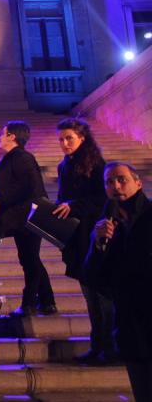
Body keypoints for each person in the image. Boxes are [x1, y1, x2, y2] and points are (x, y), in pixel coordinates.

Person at [85, 162, 152, 402]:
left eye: (122, 179)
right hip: (130, 322)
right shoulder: (106, 223)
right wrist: (98, 244)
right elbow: (93, 276)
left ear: (138, 183)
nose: (116, 186)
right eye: (109, 182)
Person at [0, 121, 55, 317]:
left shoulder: (22, 157)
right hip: (20, 220)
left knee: (30, 259)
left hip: (28, 218)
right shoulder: (9, 159)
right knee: (30, 258)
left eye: (3, 133)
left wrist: (1, 197)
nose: (0, 137)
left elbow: (29, 186)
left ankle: (29, 304)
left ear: (12, 136)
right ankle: (47, 302)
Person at [53, 119, 115, 365]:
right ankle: (97, 346)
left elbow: (103, 199)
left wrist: (74, 205)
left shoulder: (96, 164)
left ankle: (109, 348)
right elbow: (63, 198)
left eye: (69, 138)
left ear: (82, 138)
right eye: (61, 139)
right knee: (90, 297)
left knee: (102, 297)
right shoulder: (64, 165)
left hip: (94, 235)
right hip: (76, 237)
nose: (64, 143)